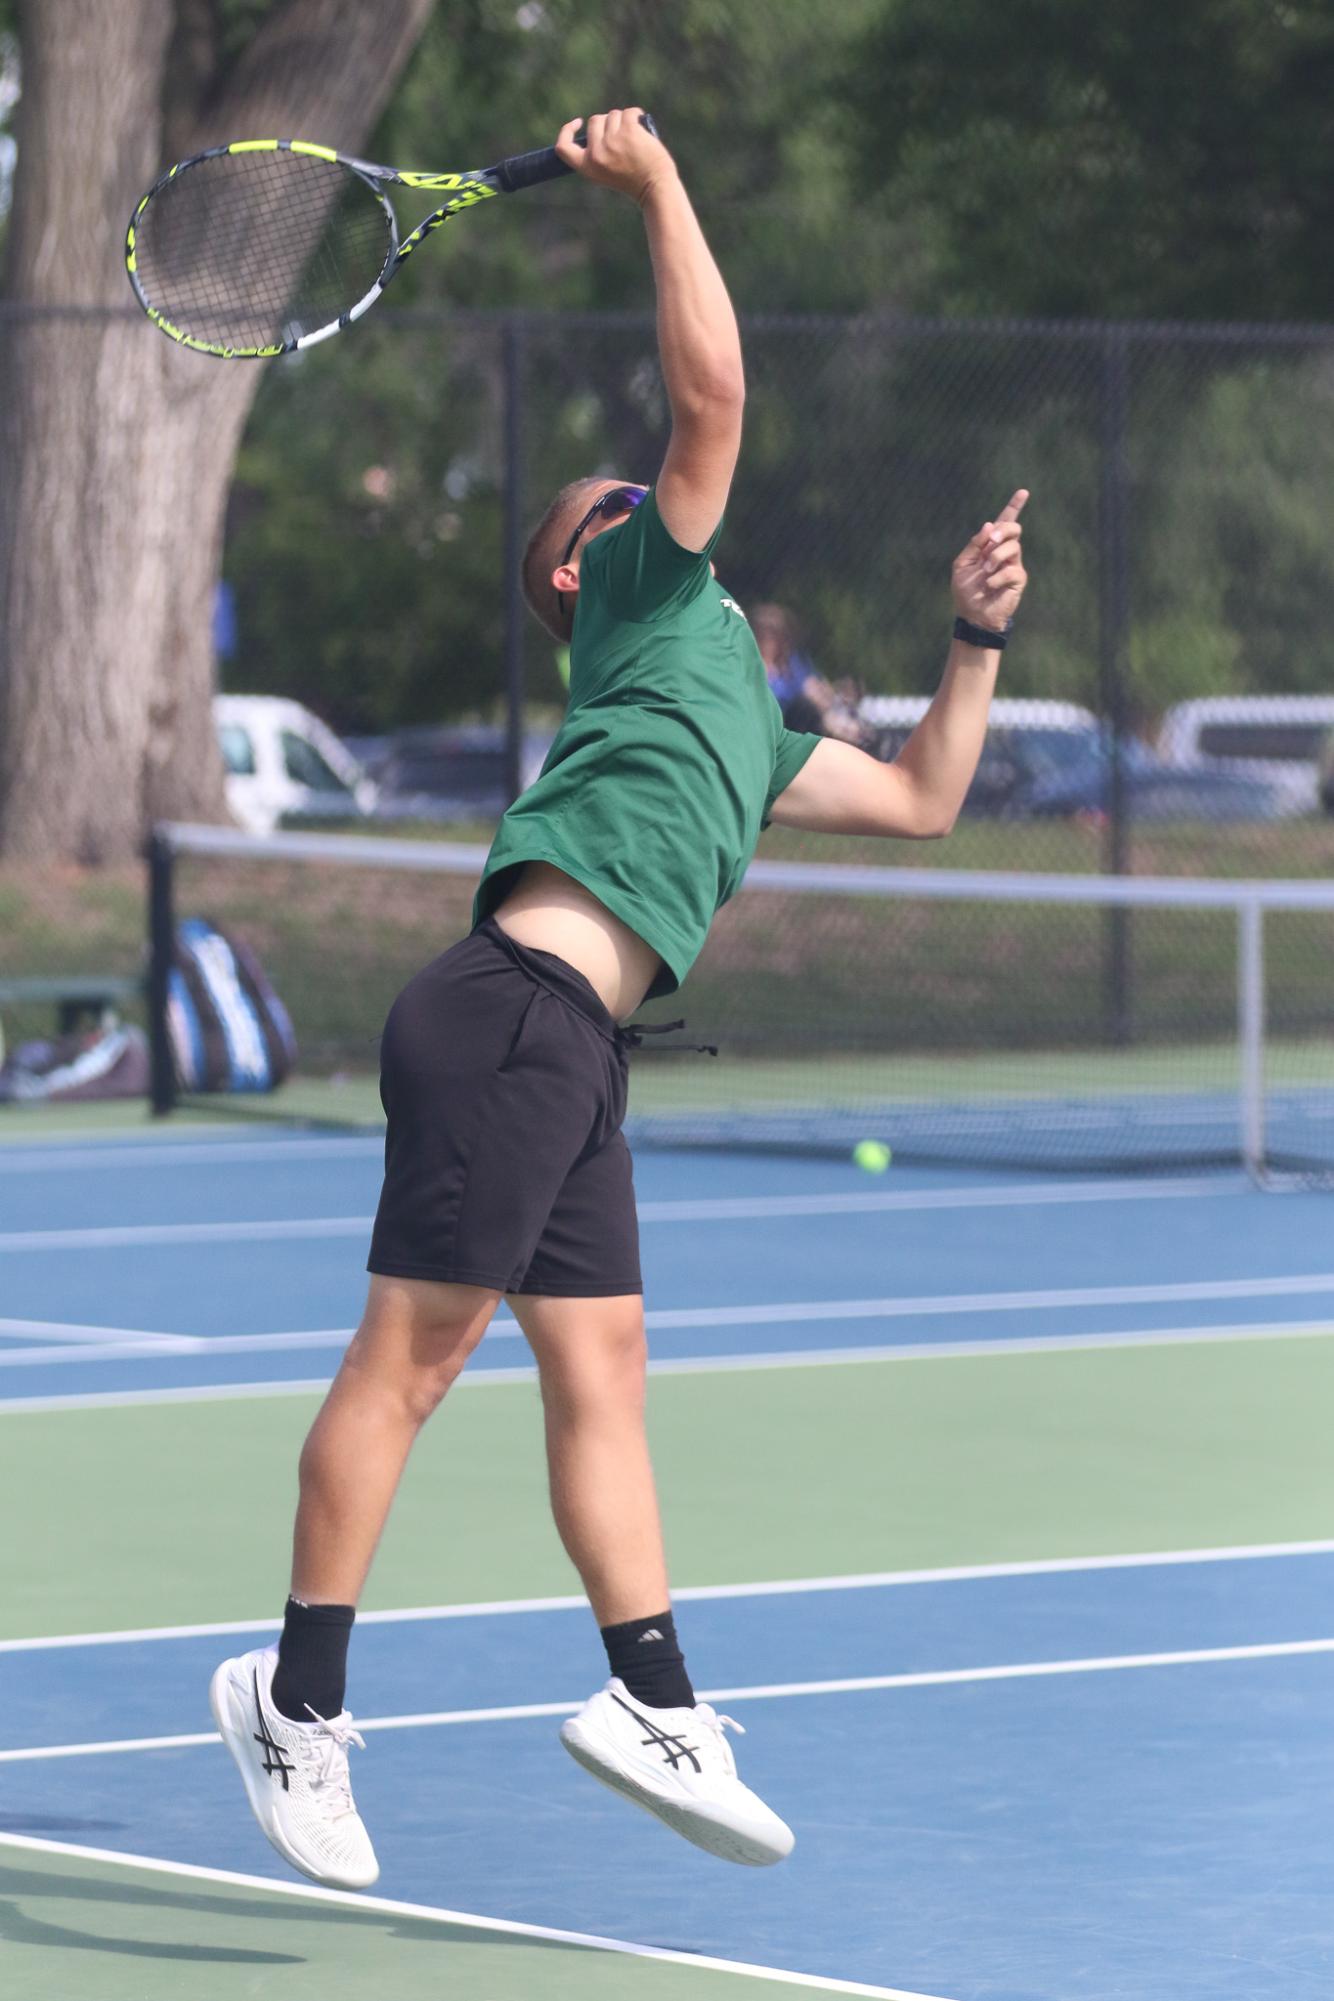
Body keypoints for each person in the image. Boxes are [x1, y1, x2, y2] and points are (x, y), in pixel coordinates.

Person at [209, 108, 1028, 1890]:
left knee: (606, 1370)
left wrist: (970, 640)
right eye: (607, 503)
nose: (640, 495)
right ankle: (294, 1700)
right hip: (510, 1008)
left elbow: (919, 799)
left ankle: (649, 1698)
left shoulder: (729, 707)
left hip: (572, 1048)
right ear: (585, 568)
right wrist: (658, 182)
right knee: (410, 1369)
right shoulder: (644, 595)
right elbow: (714, 402)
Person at [752, 602, 870, 747]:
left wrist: (836, 693)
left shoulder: (792, 664)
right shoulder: (752, 666)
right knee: (807, 708)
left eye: (773, 635)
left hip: (805, 724)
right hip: (778, 724)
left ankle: (856, 737)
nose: (767, 640)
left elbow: (814, 688)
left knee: (827, 711)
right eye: (762, 634)